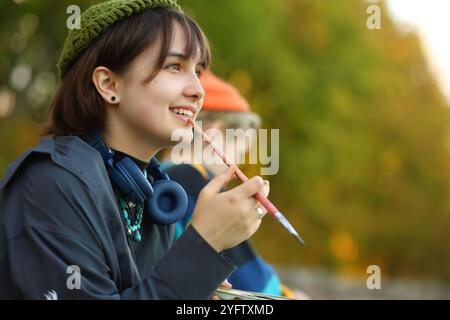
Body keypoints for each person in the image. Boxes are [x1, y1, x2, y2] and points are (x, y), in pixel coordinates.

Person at [0, 0, 269, 299]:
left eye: (198, 70)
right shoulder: (51, 184)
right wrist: (203, 246)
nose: (198, 90)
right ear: (109, 84)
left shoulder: (153, 195)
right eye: (174, 66)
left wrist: (194, 288)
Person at [161, 70, 299, 298]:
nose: (240, 160)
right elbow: (254, 284)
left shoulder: (156, 176)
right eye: (242, 147)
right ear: (214, 134)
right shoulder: (193, 179)